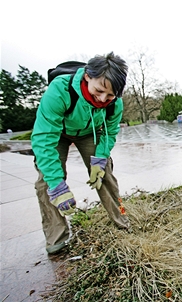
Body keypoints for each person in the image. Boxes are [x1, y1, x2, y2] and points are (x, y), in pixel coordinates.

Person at [31, 52, 130, 255]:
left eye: (110, 96)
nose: (102, 100)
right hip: (58, 132)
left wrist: (100, 158)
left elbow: (110, 132)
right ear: (87, 76)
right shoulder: (59, 90)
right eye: (99, 91)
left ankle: (121, 219)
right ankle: (56, 237)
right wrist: (57, 185)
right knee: (46, 182)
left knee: (105, 174)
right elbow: (43, 138)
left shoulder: (115, 103)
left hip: (89, 132)